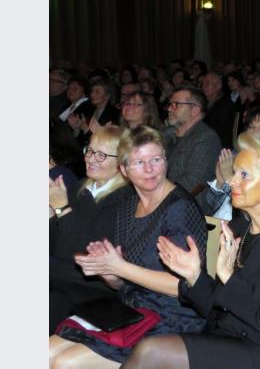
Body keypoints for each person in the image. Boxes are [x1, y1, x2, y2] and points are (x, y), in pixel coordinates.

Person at [122, 135, 260, 368]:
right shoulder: (239, 229)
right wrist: (194, 276)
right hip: (232, 339)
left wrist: (228, 277)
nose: (231, 182)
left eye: (244, 175)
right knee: (151, 348)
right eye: (235, 173)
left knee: (151, 352)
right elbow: (218, 310)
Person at [50, 126, 208, 367]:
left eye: (156, 159)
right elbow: (124, 281)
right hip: (130, 309)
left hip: (171, 317)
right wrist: (109, 273)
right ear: (124, 170)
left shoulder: (179, 209)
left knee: (65, 363)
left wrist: (120, 268)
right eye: (139, 162)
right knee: (47, 352)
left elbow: (184, 286)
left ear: (166, 161)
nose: (149, 169)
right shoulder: (128, 206)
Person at [49, 126, 132, 333]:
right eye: (90, 150)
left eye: (101, 155)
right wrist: (51, 217)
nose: (90, 159)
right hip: (59, 275)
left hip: (89, 287)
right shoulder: (79, 188)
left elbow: (87, 250)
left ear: (121, 163)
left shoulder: (125, 199)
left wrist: (62, 209)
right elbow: (56, 246)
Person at [199, 107, 260, 221]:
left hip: (242, 225)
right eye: (251, 126)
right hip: (216, 222)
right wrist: (220, 183)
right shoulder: (238, 156)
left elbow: (250, 212)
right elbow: (211, 204)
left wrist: (228, 179)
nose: (254, 132)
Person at [163, 86, 222, 195]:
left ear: (194, 110)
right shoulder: (166, 134)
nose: (169, 109)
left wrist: (154, 193)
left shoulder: (206, 138)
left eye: (175, 104)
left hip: (181, 203)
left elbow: (192, 184)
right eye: (170, 105)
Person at [201, 72, 237, 149]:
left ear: (218, 86)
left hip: (219, 147)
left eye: (208, 83)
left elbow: (220, 131)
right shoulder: (202, 103)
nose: (204, 86)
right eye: (203, 83)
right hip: (205, 142)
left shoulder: (226, 104)